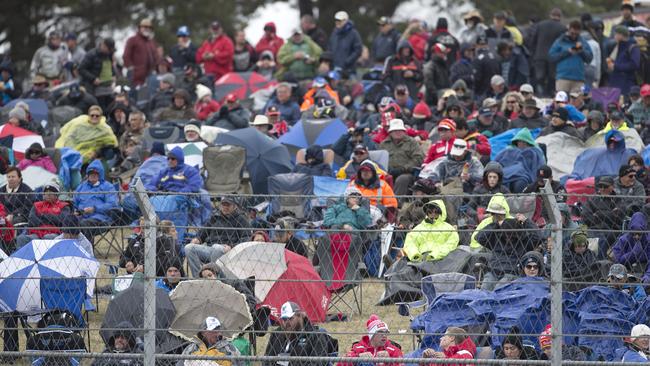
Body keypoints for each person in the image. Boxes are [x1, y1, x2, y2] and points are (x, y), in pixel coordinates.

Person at [476, 201, 541, 290]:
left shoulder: (524, 242)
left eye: (511, 235)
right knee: (485, 289)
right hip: (493, 272)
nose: (508, 237)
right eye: (506, 234)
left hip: (511, 274)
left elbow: (539, 237)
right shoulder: (496, 239)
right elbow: (479, 237)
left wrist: (526, 221)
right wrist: (497, 224)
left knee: (499, 290)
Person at [185, 196, 250, 277]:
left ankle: (216, 278)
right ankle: (198, 277)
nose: (225, 207)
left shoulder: (241, 219)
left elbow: (246, 238)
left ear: (234, 206)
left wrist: (232, 247)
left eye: (228, 205)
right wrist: (197, 239)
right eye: (223, 205)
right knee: (189, 248)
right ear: (220, 206)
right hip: (210, 249)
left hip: (229, 252)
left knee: (217, 248)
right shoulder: (215, 217)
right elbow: (203, 232)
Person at [264, 301, 338, 366]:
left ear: (299, 316)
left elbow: (318, 363)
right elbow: (267, 360)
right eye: (284, 319)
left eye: (290, 318)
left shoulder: (315, 336)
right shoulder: (277, 335)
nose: (286, 323)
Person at [74, 160, 119, 245]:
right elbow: (74, 203)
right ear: (87, 174)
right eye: (91, 173)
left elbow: (112, 204)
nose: (93, 175)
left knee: (84, 224)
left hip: (101, 219)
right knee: (68, 221)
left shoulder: (108, 187)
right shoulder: (81, 187)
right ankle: (71, 252)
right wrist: (75, 211)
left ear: (100, 174)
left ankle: (87, 253)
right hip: (81, 217)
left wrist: (94, 209)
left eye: (96, 173)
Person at [15, 184, 70, 249]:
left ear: (56, 195)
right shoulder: (37, 205)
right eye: (46, 192)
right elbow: (31, 221)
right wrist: (50, 218)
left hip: (55, 233)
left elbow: (61, 221)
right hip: (37, 232)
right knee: (22, 238)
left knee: (47, 237)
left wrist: (42, 215)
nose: (48, 194)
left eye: (51, 192)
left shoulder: (63, 206)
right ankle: (22, 259)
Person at [379, 119, 425, 196]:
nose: (398, 132)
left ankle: (395, 204)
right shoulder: (384, 144)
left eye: (400, 130)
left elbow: (418, 158)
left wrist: (403, 169)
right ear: (390, 132)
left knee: (402, 179)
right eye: (395, 130)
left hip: (407, 173)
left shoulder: (412, 142)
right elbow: (379, 159)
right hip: (388, 172)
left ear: (404, 131)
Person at [548, 20, 593, 94]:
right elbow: (551, 57)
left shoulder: (583, 42)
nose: (574, 35)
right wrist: (567, 52)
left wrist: (581, 51)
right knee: (562, 104)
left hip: (578, 79)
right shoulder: (560, 41)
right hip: (563, 78)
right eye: (572, 33)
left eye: (576, 34)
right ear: (569, 30)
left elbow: (589, 58)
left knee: (577, 103)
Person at [529, 8, 566, 96]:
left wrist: (534, 54)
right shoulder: (562, 28)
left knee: (539, 79)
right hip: (554, 59)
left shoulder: (540, 25)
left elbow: (532, 41)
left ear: (550, 15)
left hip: (539, 57)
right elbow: (563, 46)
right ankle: (549, 97)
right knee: (551, 80)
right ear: (560, 17)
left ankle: (540, 96)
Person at [613, 212, 650, 280]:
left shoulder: (648, 240)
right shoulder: (623, 239)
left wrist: (648, 275)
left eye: (639, 234)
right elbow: (617, 260)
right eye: (633, 233)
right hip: (626, 271)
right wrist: (632, 254)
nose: (636, 237)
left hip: (645, 270)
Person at [123, 19, 159, 87]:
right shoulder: (132, 40)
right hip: (136, 77)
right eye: (145, 27)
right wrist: (131, 69)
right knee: (135, 96)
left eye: (149, 28)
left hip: (150, 76)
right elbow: (126, 56)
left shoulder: (151, 42)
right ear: (140, 28)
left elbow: (156, 57)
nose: (147, 29)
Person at [606, 25, 641, 96]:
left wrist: (616, 66)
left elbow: (634, 64)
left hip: (626, 84)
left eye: (616, 34)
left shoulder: (633, 47)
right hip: (616, 84)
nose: (614, 36)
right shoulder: (618, 46)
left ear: (621, 35)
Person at [328, 11, 363, 76]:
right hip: (334, 69)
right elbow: (330, 48)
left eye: (339, 20)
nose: (337, 22)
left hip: (349, 70)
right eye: (336, 20)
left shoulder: (354, 34)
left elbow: (358, 50)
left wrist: (347, 62)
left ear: (345, 21)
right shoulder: (334, 33)